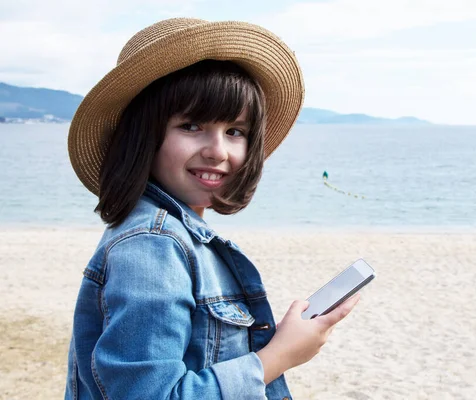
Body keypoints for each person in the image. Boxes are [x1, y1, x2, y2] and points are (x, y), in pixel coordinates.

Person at [65, 17, 360, 399]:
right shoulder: (153, 244)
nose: (218, 151)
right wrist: (280, 355)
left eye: (235, 131)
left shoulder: (181, 237)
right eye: (190, 126)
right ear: (144, 136)